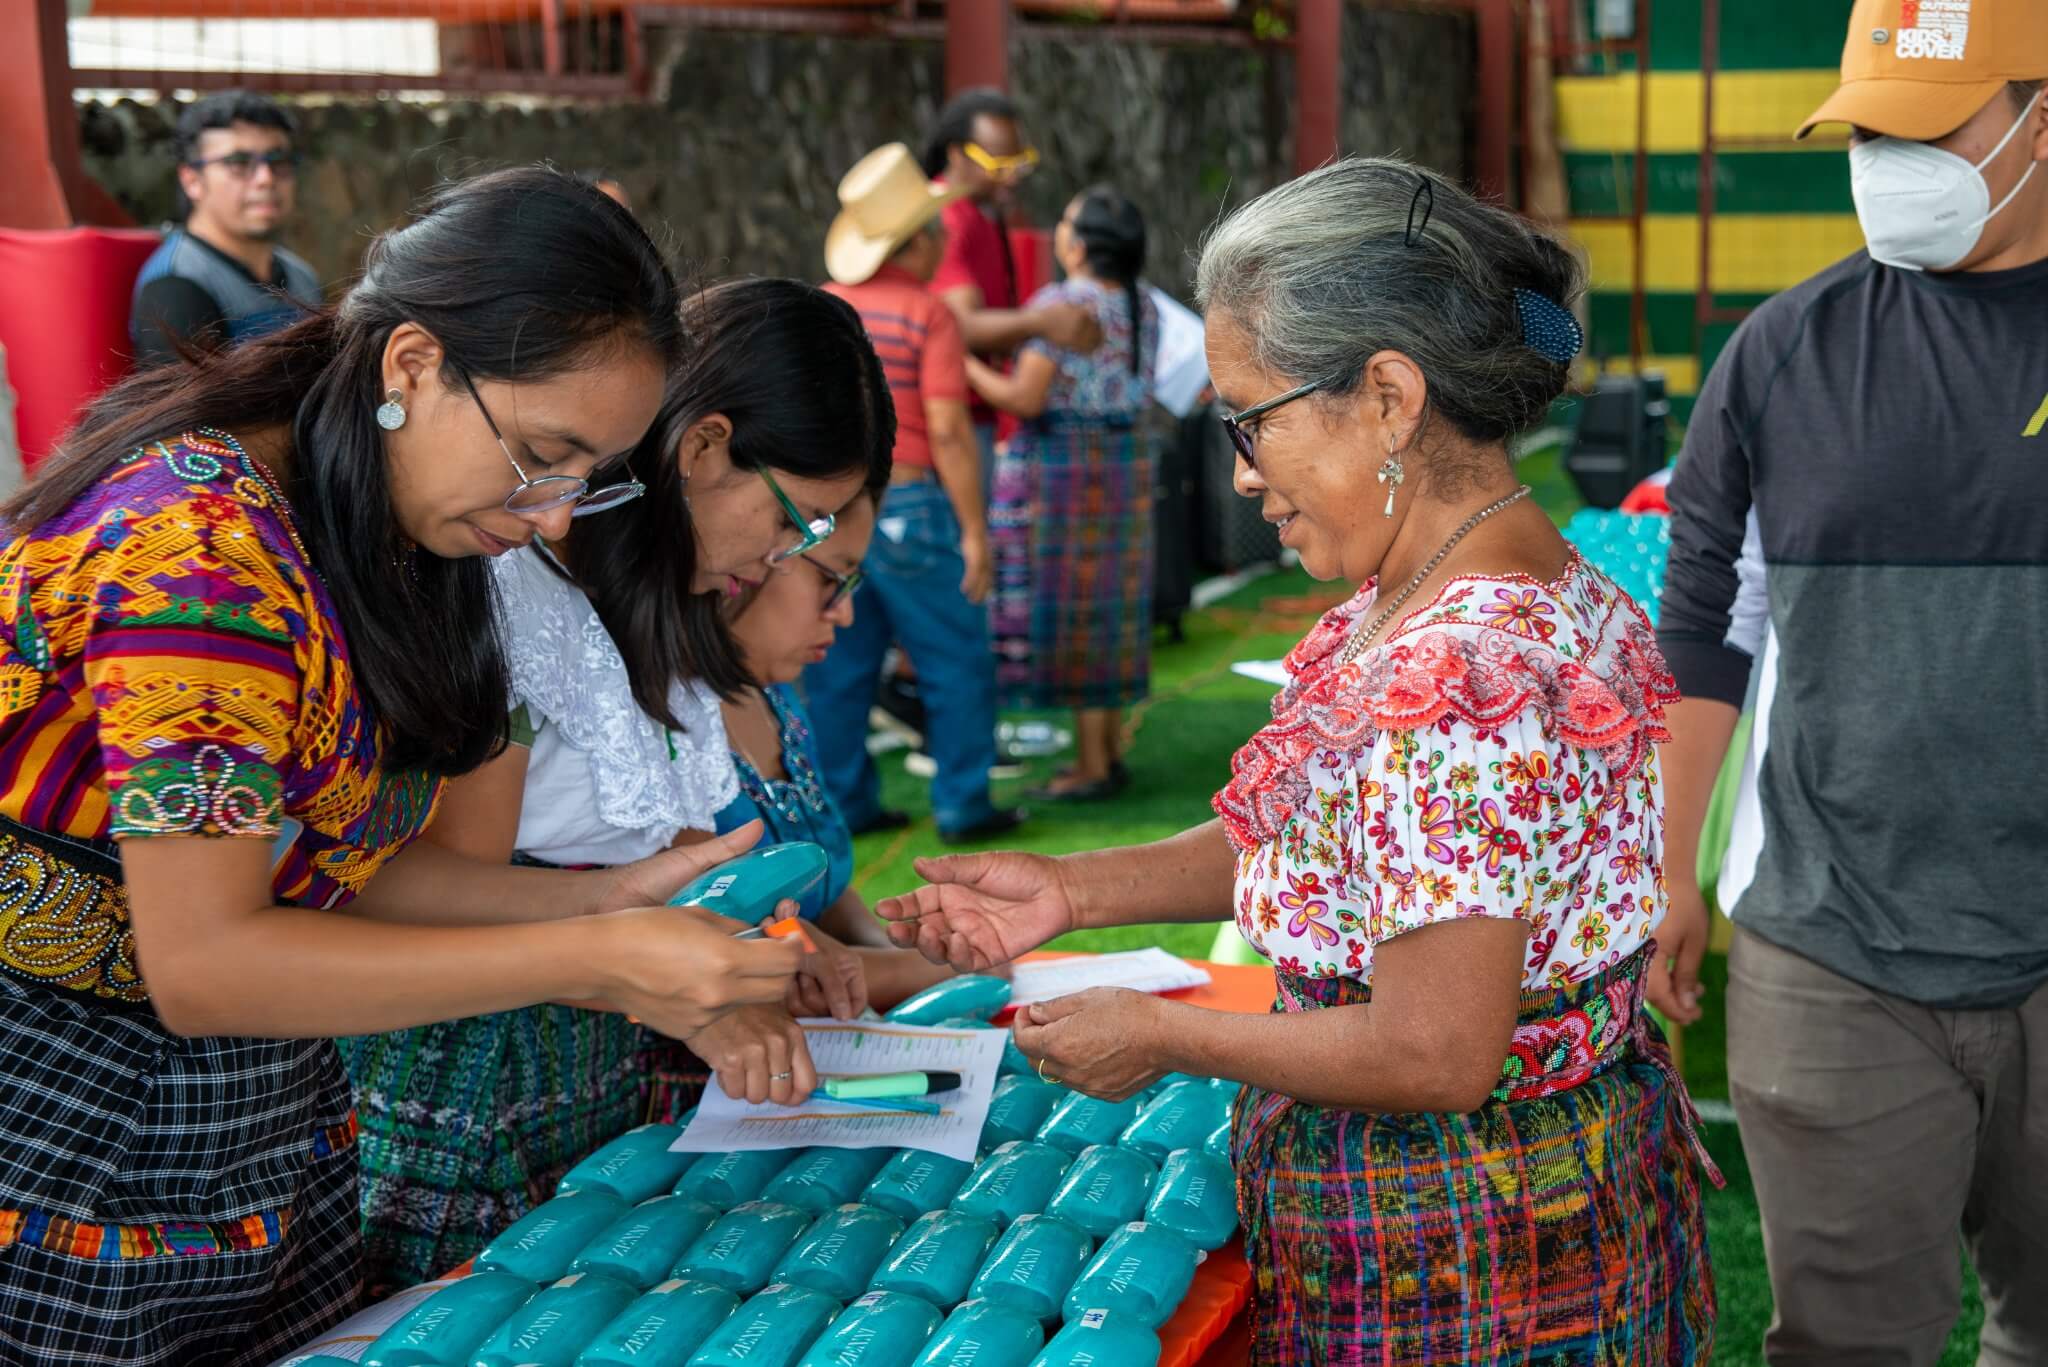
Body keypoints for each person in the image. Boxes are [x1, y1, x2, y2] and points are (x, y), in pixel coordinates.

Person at [877, 158, 1719, 1365]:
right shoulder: (1475, 582)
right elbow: (1357, 839)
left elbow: (1432, 1046)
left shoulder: (1460, 669)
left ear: (1386, 395)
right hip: (1519, 1201)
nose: (1237, 470)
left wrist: (1162, 1031)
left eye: (1249, 419)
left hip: (1461, 1242)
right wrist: (1074, 891)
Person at [0, 167, 808, 1365]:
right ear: (413, 364)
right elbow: (206, 959)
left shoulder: (370, 530)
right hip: (74, 1117)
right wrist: (597, 953)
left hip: (255, 1117)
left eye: (591, 473)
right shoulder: (199, 557)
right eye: (544, 452)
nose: (553, 516)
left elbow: (348, 871)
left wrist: (610, 898)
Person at [338, 275, 890, 1292]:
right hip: (481, 1084)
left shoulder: (653, 611)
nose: (781, 559)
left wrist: (757, 947)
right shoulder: (514, 592)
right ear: (703, 449)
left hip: (596, 1063)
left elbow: (648, 863)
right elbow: (436, 896)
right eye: (800, 523)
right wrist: (665, 973)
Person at [1648, 1, 2048, 1360]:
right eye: (1870, 130)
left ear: (2042, 121)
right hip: (1832, 952)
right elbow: (1708, 618)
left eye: (1933, 128)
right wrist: (1669, 867)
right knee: (1845, 1342)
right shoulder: (1781, 354)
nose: (1892, 163)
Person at [810, 144, 1024, 845]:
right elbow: (948, 428)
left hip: (828, 515)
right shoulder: (928, 315)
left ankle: (844, 802)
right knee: (954, 660)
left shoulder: (825, 307)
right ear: (918, 241)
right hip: (909, 506)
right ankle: (963, 803)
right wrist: (973, 530)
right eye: (936, 235)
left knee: (838, 664)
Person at [968, 185, 1160, 800]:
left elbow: (1024, 398)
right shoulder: (1145, 303)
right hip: (1124, 459)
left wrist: (956, 363)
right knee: (1107, 611)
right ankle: (1103, 754)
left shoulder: (1064, 300)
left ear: (1077, 246)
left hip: (1062, 465)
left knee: (1074, 610)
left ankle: (1092, 766)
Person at [919, 87, 1102, 489]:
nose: (1012, 175)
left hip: (973, 414)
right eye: (997, 164)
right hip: (953, 417)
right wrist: (1043, 322)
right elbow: (960, 325)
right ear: (955, 154)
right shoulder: (949, 218)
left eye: (1020, 162)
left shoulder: (979, 211)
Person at [130, 91, 321, 365]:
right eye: (239, 163)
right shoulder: (176, 288)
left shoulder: (302, 277)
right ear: (192, 181)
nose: (266, 179)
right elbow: (189, 407)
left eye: (278, 161)